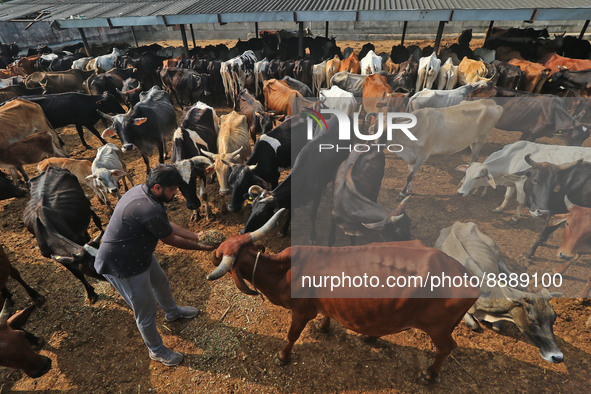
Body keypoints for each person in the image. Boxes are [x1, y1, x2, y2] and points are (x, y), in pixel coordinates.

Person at [94, 164, 215, 367]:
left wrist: (196, 235)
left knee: (160, 282)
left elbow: (165, 224)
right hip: (123, 264)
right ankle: (156, 350)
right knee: (145, 311)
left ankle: (172, 312)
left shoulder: (143, 192)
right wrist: (202, 247)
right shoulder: (149, 207)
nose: (176, 192)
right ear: (157, 187)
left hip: (140, 253)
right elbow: (170, 239)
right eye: (172, 189)